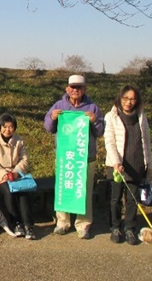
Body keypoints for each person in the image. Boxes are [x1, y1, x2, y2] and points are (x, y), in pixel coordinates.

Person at [43, 75, 104, 239]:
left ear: (84, 89)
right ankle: (62, 222)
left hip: (85, 159)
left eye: (79, 87)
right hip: (65, 158)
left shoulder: (92, 107)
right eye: (72, 87)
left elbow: (100, 131)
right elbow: (48, 128)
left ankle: (83, 225)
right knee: (63, 189)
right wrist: (52, 118)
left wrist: (95, 120)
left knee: (83, 191)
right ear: (67, 88)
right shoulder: (59, 105)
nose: (75, 90)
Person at [104, 85, 152, 245]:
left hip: (136, 163)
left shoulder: (141, 116)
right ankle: (115, 227)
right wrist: (116, 162)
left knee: (132, 199)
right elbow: (109, 142)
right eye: (125, 98)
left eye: (132, 99)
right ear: (120, 98)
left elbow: (146, 142)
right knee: (115, 198)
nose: (128, 102)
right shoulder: (111, 116)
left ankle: (130, 228)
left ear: (136, 100)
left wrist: (148, 165)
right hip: (117, 165)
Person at [0, 113, 36, 240]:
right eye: (4, 127)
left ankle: (28, 226)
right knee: (8, 191)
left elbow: (24, 159)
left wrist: (16, 171)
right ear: (0, 127)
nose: (7, 130)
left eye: (11, 127)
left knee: (24, 193)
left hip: (16, 175)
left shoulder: (19, 140)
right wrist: (4, 174)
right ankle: (16, 223)